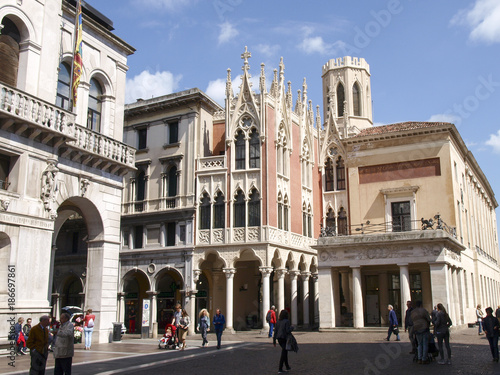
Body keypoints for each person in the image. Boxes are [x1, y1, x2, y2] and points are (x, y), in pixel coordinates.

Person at [273, 309, 294, 374]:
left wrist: (274, 341)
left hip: (279, 339)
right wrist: (292, 328)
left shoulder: (278, 322)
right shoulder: (286, 321)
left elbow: (275, 331)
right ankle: (280, 368)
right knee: (284, 353)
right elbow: (287, 330)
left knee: (285, 351)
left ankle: (287, 366)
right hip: (284, 338)